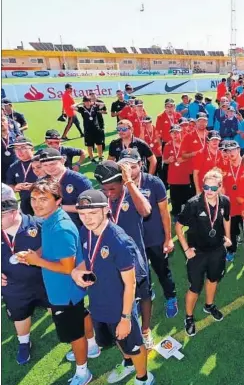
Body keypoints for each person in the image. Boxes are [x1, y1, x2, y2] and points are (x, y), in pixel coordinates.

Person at [16, 179, 99, 385]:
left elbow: (67, 267)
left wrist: (37, 261)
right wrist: (36, 255)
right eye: (33, 199)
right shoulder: (50, 220)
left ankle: (83, 372)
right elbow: (51, 250)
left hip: (65, 291)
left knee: (74, 333)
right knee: (81, 315)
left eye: (43, 199)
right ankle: (92, 346)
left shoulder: (60, 227)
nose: (36, 204)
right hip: (70, 291)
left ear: (58, 200)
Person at [71, 190, 154, 385]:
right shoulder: (84, 231)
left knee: (133, 344)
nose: (87, 218)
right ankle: (127, 363)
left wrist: (126, 317)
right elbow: (85, 261)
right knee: (118, 340)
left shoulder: (119, 241)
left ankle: (143, 378)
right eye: (82, 213)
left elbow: (130, 284)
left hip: (121, 308)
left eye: (92, 212)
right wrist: (76, 273)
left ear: (105, 210)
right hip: (98, 302)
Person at [94, 160, 155, 348]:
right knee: (118, 298)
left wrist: (129, 182)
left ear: (122, 182)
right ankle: (122, 332)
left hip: (135, 260)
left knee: (143, 295)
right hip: (109, 261)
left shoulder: (133, 194)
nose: (108, 194)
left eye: (112, 188)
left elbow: (146, 211)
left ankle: (145, 330)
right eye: (104, 189)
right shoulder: (100, 198)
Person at [119, 149, 178, 319]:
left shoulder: (154, 182)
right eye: (125, 167)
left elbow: (164, 213)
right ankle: (144, 296)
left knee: (162, 270)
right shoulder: (118, 186)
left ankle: (171, 297)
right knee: (138, 274)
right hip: (132, 242)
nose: (129, 170)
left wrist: (168, 239)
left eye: (133, 166)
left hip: (155, 238)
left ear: (141, 164)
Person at [175, 169, 232, 336]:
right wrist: (186, 249)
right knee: (195, 287)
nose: (209, 191)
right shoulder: (193, 203)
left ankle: (209, 305)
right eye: (206, 187)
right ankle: (189, 317)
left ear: (220, 187)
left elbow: (227, 218)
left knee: (213, 279)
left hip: (217, 250)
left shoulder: (225, 201)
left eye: (214, 188)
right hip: (197, 252)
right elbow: (178, 227)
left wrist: (228, 237)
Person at [1, 184, 49, 365]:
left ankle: (70, 334)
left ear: (12, 211)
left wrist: (40, 253)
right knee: (20, 316)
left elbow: (59, 246)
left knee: (59, 311)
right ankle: (24, 342)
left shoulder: (39, 224)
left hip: (44, 281)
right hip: (13, 287)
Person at [38, 148, 93, 229]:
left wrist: (59, 208)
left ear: (62, 161)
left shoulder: (79, 180)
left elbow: (91, 206)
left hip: (78, 228)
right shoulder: (42, 182)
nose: (49, 168)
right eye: (45, 165)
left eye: (53, 164)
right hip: (53, 227)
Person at [219, 140, 244, 262]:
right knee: (231, 230)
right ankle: (231, 250)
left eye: (233, 150)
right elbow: (219, 183)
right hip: (231, 206)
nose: (230, 153)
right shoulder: (223, 166)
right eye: (227, 151)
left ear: (239, 150)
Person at [163, 125, 194, 220]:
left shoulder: (187, 145)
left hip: (185, 177)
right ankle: (175, 216)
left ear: (181, 133)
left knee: (186, 198)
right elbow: (164, 160)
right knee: (175, 199)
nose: (175, 134)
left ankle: (186, 215)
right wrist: (168, 160)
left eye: (177, 132)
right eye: (173, 133)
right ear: (170, 134)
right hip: (173, 178)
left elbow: (193, 157)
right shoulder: (168, 145)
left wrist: (183, 160)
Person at [6, 136, 38, 215]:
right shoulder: (13, 167)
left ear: (32, 149)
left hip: (43, 202)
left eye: (23, 148)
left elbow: (54, 181)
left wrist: (36, 186)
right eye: (16, 149)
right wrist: (16, 187)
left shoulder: (41, 163)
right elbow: (9, 186)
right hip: (25, 205)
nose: (19, 151)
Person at [72, 96, 106, 163]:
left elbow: (103, 104)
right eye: (85, 101)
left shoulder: (95, 107)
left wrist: (94, 102)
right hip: (87, 130)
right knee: (89, 145)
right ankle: (91, 158)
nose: (87, 103)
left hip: (96, 129)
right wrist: (80, 103)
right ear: (84, 102)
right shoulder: (82, 109)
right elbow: (72, 106)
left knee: (99, 144)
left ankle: (100, 157)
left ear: (90, 102)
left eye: (88, 101)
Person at [192, 130, 222, 194]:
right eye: (212, 139)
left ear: (219, 141)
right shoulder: (201, 153)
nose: (215, 141)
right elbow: (195, 174)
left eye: (216, 139)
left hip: (217, 188)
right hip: (204, 188)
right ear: (208, 141)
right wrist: (197, 189)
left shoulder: (221, 153)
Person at [1, 115, 17, 182]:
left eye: (3, 120)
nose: (1, 123)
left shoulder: (15, 136)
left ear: (8, 122)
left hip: (15, 171)